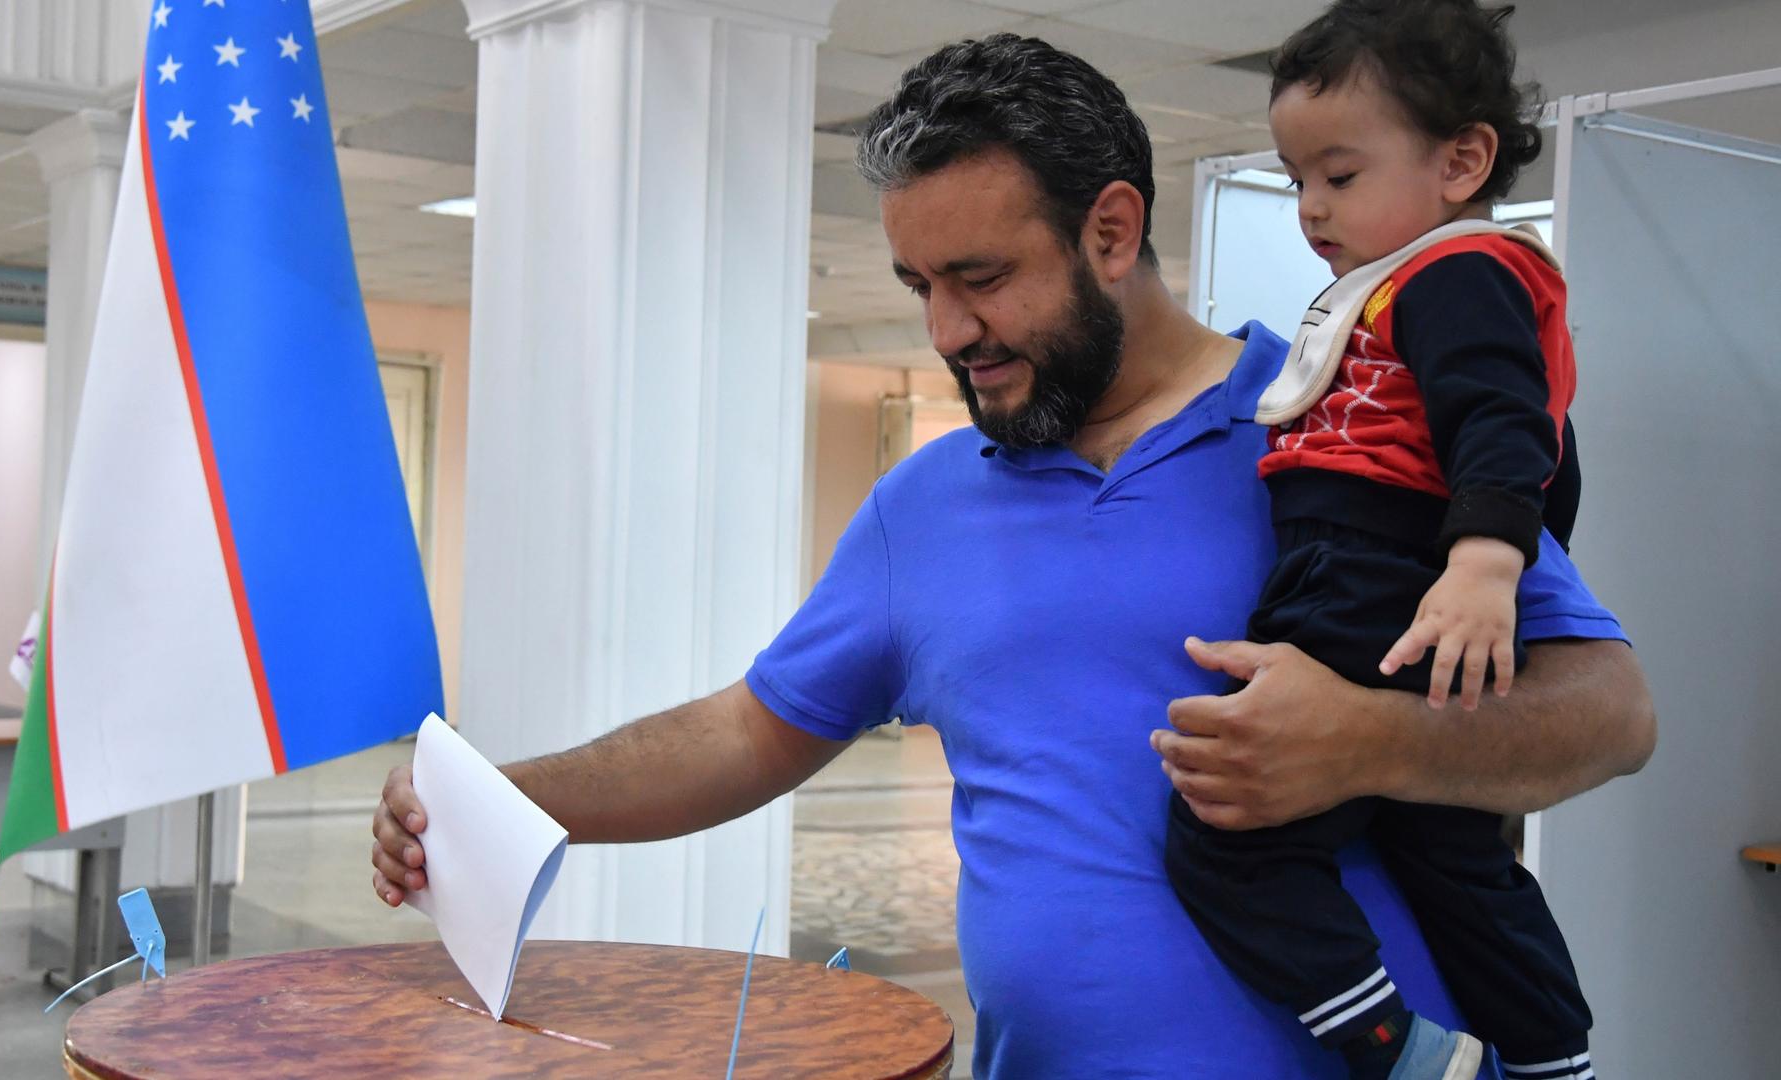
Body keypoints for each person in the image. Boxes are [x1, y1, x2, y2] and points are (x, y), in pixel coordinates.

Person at [371, 33, 1655, 1079]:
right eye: (920, 282)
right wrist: (500, 795)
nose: (947, 329)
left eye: (980, 276)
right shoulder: (922, 506)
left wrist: (1374, 743)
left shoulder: (1344, 424)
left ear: (1110, 230)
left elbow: (1611, 715)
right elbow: (751, 732)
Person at [1161, 4, 1603, 1079]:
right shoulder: (1407, 282)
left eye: (1340, 177)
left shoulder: (1460, 274)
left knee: (1225, 832)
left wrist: (1486, 564)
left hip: (1367, 577)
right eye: (1296, 178)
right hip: (1390, 576)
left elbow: (1509, 424)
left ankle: (1393, 1047)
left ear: (1462, 161)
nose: (1311, 208)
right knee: (1447, 845)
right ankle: (1553, 1055)